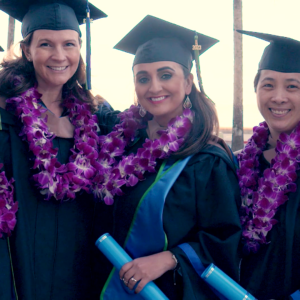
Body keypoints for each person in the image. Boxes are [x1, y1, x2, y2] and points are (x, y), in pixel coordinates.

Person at [98, 15, 242, 300]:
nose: (154, 87)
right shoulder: (122, 146)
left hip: (167, 291)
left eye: (165, 75)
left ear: (188, 82)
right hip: (105, 285)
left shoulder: (207, 160)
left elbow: (224, 239)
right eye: (143, 78)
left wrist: (169, 258)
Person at [0, 1, 114, 299]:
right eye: (46, 44)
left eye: (69, 44)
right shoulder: (4, 113)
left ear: (79, 48)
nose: (59, 55)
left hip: (78, 270)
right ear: (27, 50)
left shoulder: (96, 117)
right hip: (15, 270)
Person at [236, 30, 300, 299]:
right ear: (256, 89)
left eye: (293, 86)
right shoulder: (239, 164)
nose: (278, 97)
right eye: (268, 84)